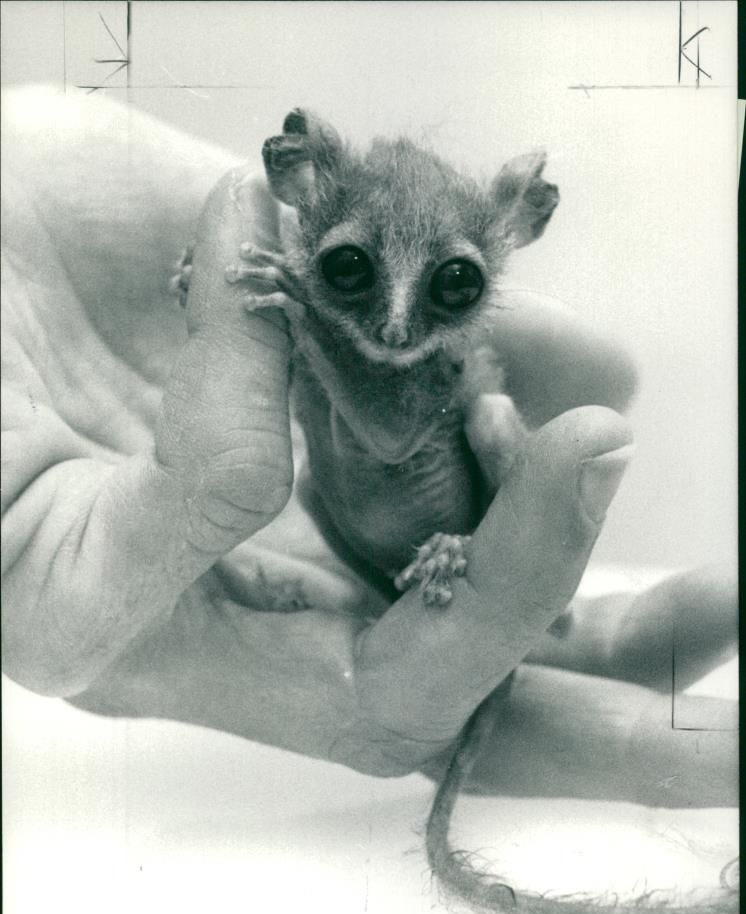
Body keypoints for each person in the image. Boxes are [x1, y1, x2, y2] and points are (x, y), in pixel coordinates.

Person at [1, 88, 737, 807]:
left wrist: (312, 317)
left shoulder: (397, 355)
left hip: (443, 529)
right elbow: (255, 349)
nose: (393, 327)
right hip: (359, 535)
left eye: (450, 286)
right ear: (296, 180)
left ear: (517, 227)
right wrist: (207, 292)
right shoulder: (304, 307)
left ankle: (492, 557)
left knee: (493, 418)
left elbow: (389, 435)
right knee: (310, 487)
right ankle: (387, 596)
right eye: (350, 272)